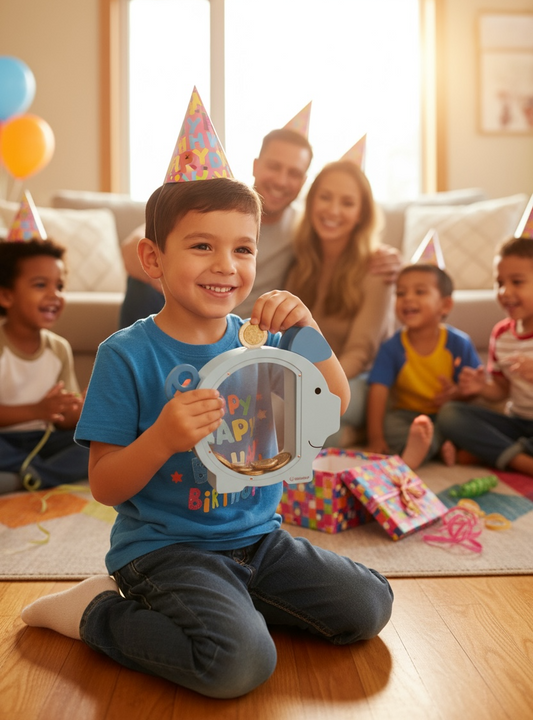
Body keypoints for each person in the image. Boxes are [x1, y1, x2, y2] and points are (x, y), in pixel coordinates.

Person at [21, 177, 393, 699]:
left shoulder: (261, 341)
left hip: (260, 540)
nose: (226, 265)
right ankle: (94, 612)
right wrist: (162, 438)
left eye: (243, 248)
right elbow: (105, 486)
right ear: (153, 260)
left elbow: (333, 404)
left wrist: (308, 329)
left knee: (369, 605)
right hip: (166, 550)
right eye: (202, 245)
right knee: (238, 665)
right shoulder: (125, 354)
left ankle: (233, 604)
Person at [119, 129, 401, 327]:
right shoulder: (213, 208)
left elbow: (344, 238)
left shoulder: (305, 228)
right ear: (255, 165)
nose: (281, 180)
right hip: (188, 309)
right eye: (274, 167)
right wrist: (192, 292)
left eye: (293, 173)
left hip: (246, 328)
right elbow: (134, 250)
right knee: (139, 286)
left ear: (303, 182)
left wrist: (379, 254)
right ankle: (137, 371)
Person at [285, 160, 397, 447]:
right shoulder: (301, 264)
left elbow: (360, 353)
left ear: (361, 214)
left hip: (359, 379)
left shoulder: (377, 269)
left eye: (347, 203)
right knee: (273, 422)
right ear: (311, 203)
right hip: (309, 378)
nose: (333, 211)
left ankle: (356, 433)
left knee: (308, 434)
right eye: (325, 197)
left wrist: (315, 386)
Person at [365, 263, 481, 470]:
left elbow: (473, 390)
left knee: (458, 416)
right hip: (408, 416)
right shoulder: (392, 347)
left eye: (420, 292)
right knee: (390, 425)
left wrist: (456, 393)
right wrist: (375, 438)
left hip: (445, 415)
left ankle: (434, 444)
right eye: (401, 293)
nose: (408, 298)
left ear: (445, 305)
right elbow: (378, 391)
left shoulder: (458, 343)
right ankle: (435, 446)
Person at [436, 236, 533, 476]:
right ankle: (520, 458)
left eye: (517, 282)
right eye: (499, 283)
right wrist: (481, 388)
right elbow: (501, 389)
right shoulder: (501, 334)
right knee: (450, 414)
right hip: (517, 423)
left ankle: (493, 453)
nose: (505, 291)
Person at [0, 238, 87, 493]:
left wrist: (76, 411)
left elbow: (63, 420)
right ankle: (34, 471)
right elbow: (43, 411)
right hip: (4, 441)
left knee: (93, 444)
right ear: (6, 296)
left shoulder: (59, 348)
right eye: (40, 285)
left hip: (44, 439)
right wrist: (38, 410)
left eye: (59, 286)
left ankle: (28, 476)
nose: (54, 295)